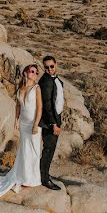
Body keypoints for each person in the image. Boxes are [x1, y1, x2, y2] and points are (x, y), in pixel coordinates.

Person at [0, 64, 43, 201]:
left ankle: (32, 179)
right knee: (24, 150)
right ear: (26, 72)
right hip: (23, 123)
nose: (35, 74)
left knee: (34, 150)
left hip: (34, 124)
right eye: (32, 71)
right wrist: (16, 120)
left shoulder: (37, 88)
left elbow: (40, 108)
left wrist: (36, 124)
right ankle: (24, 176)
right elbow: (17, 106)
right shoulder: (20, 88)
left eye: (36, 72)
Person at [38, 56, 64, 188]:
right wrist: (53, 124)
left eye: (51, 66)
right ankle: (44, 179)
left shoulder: (56, 79)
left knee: (50, 149)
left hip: (56, 117)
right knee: (48, 149)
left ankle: (44, 174)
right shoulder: (46, 81)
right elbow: (47, 105)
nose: (49, 69)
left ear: (56, 64)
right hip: (50, 121)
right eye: (46, 67)